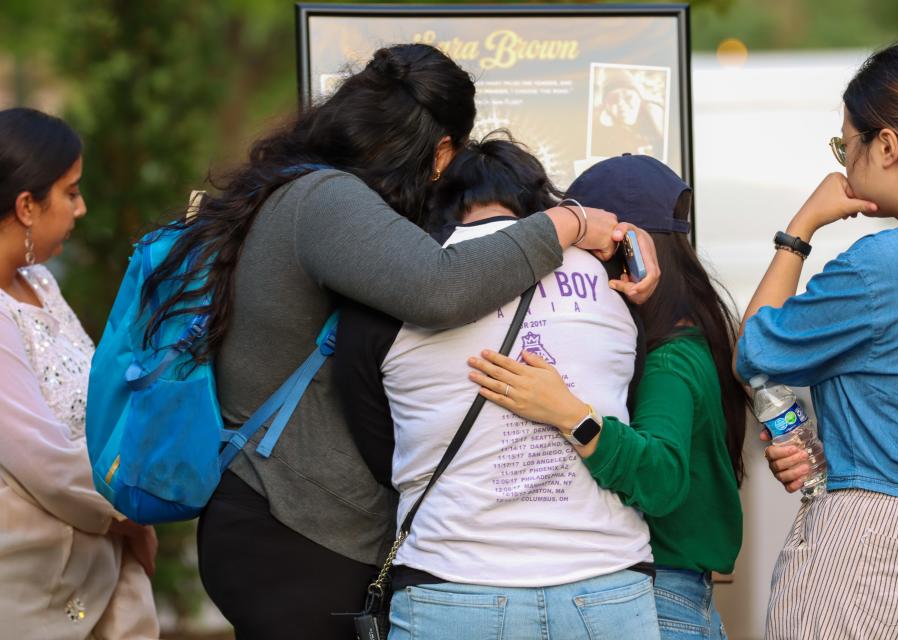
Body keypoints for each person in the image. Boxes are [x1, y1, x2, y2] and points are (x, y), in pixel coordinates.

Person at [135, 44, 629, 639]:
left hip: (279, 524)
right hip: (296, 530)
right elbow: (439, 287)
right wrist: (568, 224)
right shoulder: (324, 201)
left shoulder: (298, 192)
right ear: (442, 150)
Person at [334, 135, 662, 640]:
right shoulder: (612, 284)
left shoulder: (397, 287)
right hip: (608, 585)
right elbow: (628, 395)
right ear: (538, 202)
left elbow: (377, 441)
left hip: (454, 583)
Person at [735, 40, 898, 639]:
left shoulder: (882, 264)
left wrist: (800, 229)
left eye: (845, 144)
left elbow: (755, 348)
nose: (843, 161)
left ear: (885, 146)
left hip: (873, 554)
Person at [469, 154, 746, 640]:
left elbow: (662, 478)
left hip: (662, 603)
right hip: (676, 598)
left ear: (630, 250)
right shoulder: (688, 336)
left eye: (588, 244)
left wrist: (570, 415)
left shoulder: (669, 358)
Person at [0, 108, 159, 639]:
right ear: (27, 205)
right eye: (70, 192)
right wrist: (129, 514)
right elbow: (41, 456)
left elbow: (95, 398)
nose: (81, 207)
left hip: (100, 558)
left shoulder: (40, 283)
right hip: (34, 577)